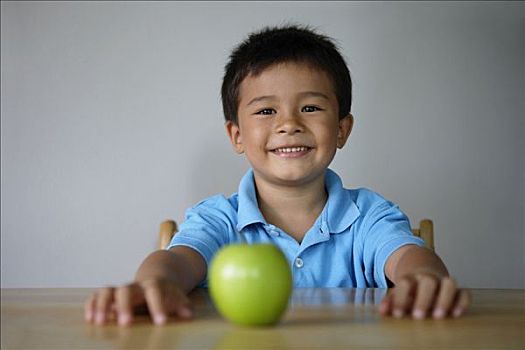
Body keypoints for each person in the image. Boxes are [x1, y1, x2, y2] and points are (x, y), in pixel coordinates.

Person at [85, 24, 470, 326]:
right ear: (236, 135)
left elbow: (409, 257)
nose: (289, 124)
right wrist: (158, 284)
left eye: (311, 108)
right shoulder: (218, 219)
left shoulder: (369, 216)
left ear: (342, 129)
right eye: (267, 111)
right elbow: (178, 261)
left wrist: (423, 279)